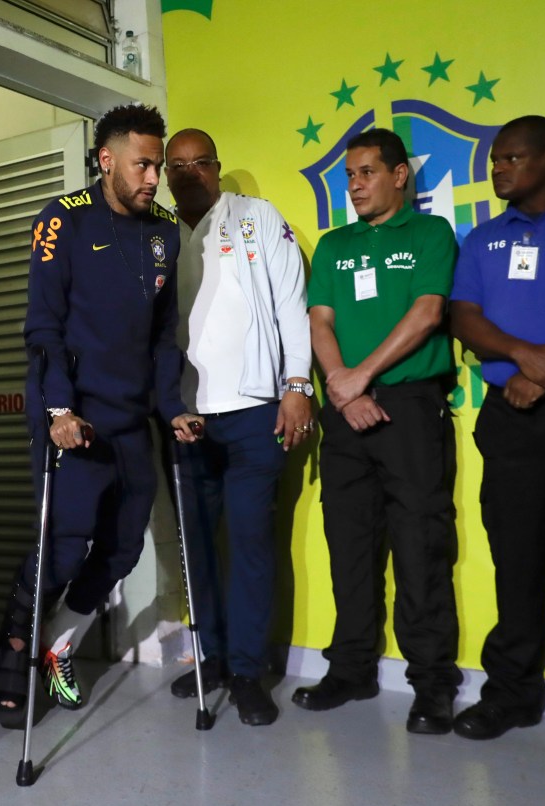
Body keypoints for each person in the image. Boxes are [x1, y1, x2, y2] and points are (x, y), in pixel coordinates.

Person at [0, 104, 202, 724]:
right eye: (143, 164)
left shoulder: (163, 230)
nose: (154, 177)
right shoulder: (63, 219)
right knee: (62, 547)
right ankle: (11, 657)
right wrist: (58, 406)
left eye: (157, 165)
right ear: (107, 160)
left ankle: (57, 646)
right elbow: (43, 325)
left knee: (123, 547)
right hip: (73, 414)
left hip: (132, 419)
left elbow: (164, 338)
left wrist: (174, 408)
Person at [295, 128, 462, 735]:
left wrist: (361, 376)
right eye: (350, 176)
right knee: (349, 542)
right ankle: (351, 669)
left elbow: (428, 312)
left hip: (410, 406)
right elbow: (320, 321)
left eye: (367, 172)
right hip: (345, 408)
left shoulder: (429, 233)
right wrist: (341, 383)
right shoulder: (336, 247)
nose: (356, 185)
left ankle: (433, 684)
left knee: (421, 544)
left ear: (399, 176)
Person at [163, 128, 312, 725]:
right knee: (198, 549)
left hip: (254, 411)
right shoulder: (154, 233)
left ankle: (248, 672)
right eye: (177, 165)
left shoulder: (255, 217)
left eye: (200, 162)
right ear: (165, 174)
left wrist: (296, 386)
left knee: (250, 545)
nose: (189, 172)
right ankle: (213, 658)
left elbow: (290, 305)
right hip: (185, 415)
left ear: (217, 169)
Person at [450, 115, 545, 740]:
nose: (498, 169)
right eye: (496, 160)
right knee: (517, 562)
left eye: (512, 158)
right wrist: (526, 358)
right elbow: (464, 316)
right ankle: (512, 694)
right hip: (512, 418)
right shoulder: (483, 239)